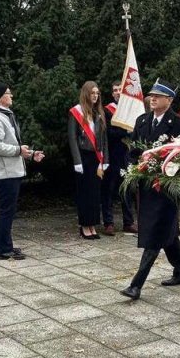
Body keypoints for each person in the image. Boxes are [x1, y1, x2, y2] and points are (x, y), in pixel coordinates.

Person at [120, 79, 180, 299]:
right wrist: (132, 169)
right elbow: (132, 150)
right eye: (152, 95)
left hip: (166, 187)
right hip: (146, 186)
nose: (153, 99)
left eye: (158, 96)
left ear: (169, 100)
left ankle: (136, 285)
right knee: (167, 231)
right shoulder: (142, 120)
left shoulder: (178, 123)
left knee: (155, 231)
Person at [0, 82, 44, 260]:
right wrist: (18, 150)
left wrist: (30, 154)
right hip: (4, 172)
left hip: (8, 170)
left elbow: (9, 144)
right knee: (7, 211)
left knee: (6, 210)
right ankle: (3, 249)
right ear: (0, 97)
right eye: (9, 93)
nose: (12, 96)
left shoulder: (1, 115)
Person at [68, 81, 110, 239]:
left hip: (96, 157)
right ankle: (84, 226)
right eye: (92, 93)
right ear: (86, 93)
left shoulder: (99, 113)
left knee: (95, 194)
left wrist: (105, 158)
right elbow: (72, 138)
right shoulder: (75, 112)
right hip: (83, 157)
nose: (95, 96)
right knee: (84, 193)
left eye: (97, 93)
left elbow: (104, 138)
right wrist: (77, 161)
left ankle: (92, 225)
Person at [101, 81, 136, 235]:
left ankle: (128, 222)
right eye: (115, 90)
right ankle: (108, 223)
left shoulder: (130, 110)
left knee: (127, 190)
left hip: (126, 156)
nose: (117, 92)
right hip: (112, 155)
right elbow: (108, 133)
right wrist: (126, 132)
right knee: (109, 190)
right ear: (112, 93)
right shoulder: (107, 111)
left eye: (120, 90)